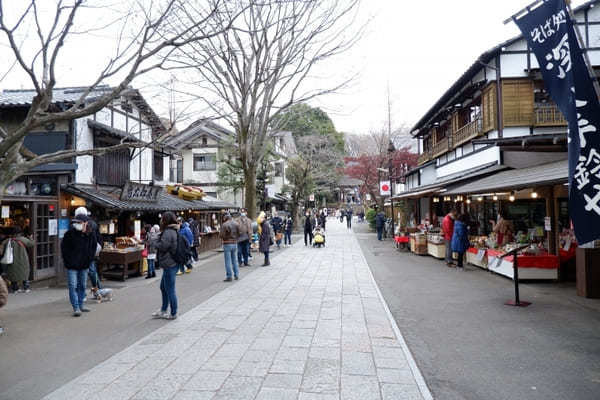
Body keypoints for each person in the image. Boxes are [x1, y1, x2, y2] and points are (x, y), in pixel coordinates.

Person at [61, 213, 97, 317]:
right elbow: (64, 249)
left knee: (82, 285)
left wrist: (89, 260)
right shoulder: (69, 234)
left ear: (86, 223)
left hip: (84, 264)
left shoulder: (90, 234)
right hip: (72, 265)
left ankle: (81, 305)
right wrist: (67, 261)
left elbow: (93, 248)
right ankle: (76, 307)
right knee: (73, 286)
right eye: (75, 222)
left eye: (79, 222)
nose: (76, 224)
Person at [152, 212, 180, 320]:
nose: (161, 221)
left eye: (162, 219)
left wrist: (154, 242)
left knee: (170, 289)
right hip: (170, 263)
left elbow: (163, 246)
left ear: (166, 220)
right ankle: (163, 310)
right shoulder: (172, 230)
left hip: (170, 263)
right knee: (163, 287)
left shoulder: (168, 232)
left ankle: (173, 312)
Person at [1, 226, 34, 293]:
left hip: (12, 260)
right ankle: (26, 287)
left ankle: (15, 288)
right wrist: (31, 238)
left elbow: (1, 248)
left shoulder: (8, 240)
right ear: (20, 233)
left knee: (13, 274)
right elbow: (31, 244)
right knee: (24, 273)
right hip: (23, 259)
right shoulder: (23, 239)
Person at [220, 213, 240, 281]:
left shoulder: (224, 224)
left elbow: (221, 235)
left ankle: (229, 276)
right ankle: (236, 275)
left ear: (225, 218)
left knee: (228, 261)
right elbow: (239, 233)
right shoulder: (236, 223)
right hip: (234, 243)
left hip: (227, 243)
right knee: (235, 260)